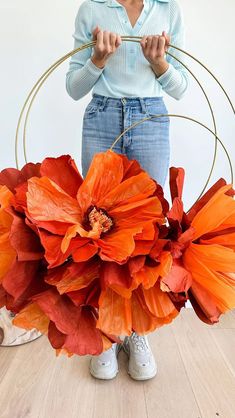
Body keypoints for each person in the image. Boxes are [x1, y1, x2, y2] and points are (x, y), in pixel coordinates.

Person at [65, 0, 189, 381]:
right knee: (97, 229)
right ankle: (108, 330)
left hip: (151, 118)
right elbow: (73, 87)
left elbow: (181, 87)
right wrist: (98, 59)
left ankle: (135, 330)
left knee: (146, 232)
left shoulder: (169, 10)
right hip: (102, 115)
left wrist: (159, 64)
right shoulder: (92, 8)